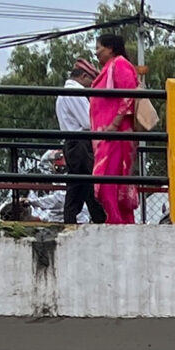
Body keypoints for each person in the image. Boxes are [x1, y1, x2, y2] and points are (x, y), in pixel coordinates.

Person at [88, 29, 144, 224]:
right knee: (111, 179)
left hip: (116, 134)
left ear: (110, 48)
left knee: (107, 179)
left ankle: (116, 220)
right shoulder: (110, 66)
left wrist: (114, 123)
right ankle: (121, 220)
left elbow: (129, 95)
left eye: (98, 48)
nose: (96, 53)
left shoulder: (120, 65)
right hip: (107, 135)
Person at [55, 56, 104, 225]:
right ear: (83, 76)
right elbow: (87, 121)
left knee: (83, 182)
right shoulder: (76, 93)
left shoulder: (64, 93)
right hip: (80, 142)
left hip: (72, 142)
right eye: (91, 80)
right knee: (82, 183)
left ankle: (95, 217)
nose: (91, 84)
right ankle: (86, 218)